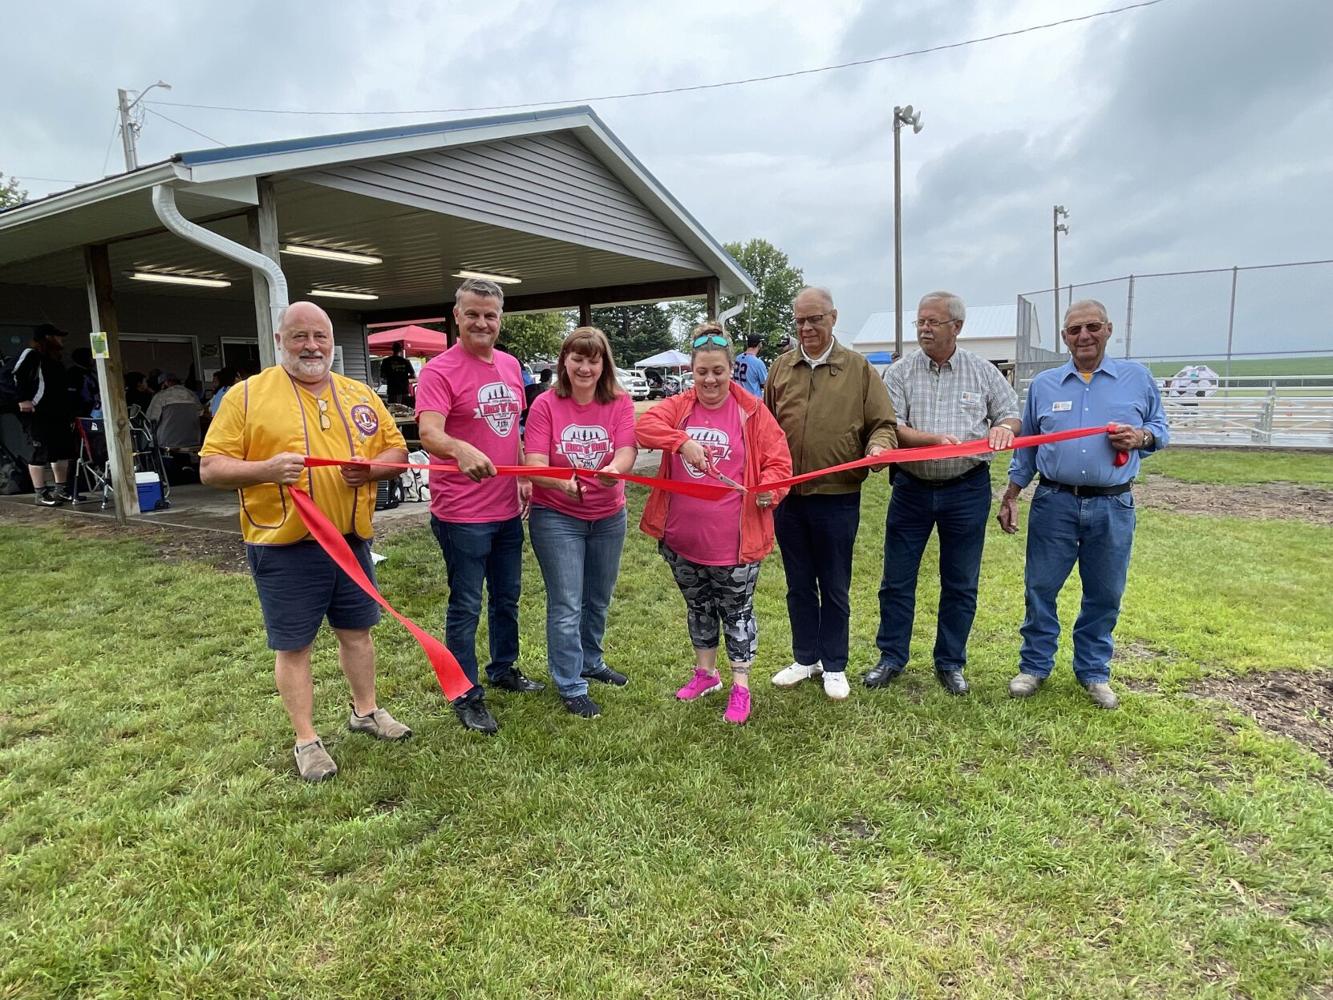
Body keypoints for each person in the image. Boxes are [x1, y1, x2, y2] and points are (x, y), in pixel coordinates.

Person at [199, 301, 412, 782]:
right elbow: (211, 468)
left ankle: (366, 711)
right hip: (284, 544)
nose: (311, 346)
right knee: (294, 645)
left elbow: (396, 449)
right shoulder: (246, 397)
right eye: (299, 336)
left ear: (332, 342)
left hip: (351, 541)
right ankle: (307, 740)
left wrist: (374, 469)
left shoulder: (359, 394)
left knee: (358, 632)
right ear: (279, 341)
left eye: (320, 336)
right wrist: (266, 470)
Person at [998, 299, 1169, 710]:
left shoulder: (1136, 378)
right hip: (1054, 502)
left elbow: (1160, 428)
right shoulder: (1044, 385)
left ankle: (1093, 671)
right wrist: (1011, 494)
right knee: (1040, 587)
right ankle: (1035, 666)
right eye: (1074, 330)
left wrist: (1140, 438)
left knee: (1105, 592)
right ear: (1064, 337)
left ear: (1108, 329)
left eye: (1092, 327)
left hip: (1112, 505)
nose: (1084, 336)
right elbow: (1027, 449)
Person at [637, 323, 793, 725]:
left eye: (717, 371)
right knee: (698, 607)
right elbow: (643, 428)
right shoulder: (680, 406)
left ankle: (741, 687)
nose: (709, 379)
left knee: (737, 612)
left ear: (731, 370)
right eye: (702, 371)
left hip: (735, 542)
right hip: (683, 539)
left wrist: (769, 491)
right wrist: (681, 441)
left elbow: (780, 463)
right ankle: (706, 674)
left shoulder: (753, 411)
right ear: (692, 371)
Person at [868, 292, 1021, 695]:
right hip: (911, 487)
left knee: (960, 581)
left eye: (933, 322)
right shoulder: (900, 372)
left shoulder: (983, 371)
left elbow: (1009, 412)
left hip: (966, 489)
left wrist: (1005, 427)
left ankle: (950, 662)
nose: (924, 329)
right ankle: (891, 657)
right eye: (920, 321)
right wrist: (933, 441)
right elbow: (893, 425)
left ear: (957, 327)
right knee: (897, 579)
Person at [417, 277, 539, 736]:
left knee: (507, 597)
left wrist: (524, 472)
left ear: (500, 318)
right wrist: (459, 450)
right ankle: (464, 692)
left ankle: (503, 667)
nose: (482, 322)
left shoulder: (510, 365)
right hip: (461, 513)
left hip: (506, 508)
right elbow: (428, 433)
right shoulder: (439, 371)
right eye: (472, 314)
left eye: (490, 315)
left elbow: (515, 430)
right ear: (457, 316)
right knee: (466, 603)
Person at [765, 288, 897, 700]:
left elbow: (883, 424)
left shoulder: (857, 368)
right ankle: (806, 658)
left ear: (833, 318)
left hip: (837, 496)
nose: (806, 328)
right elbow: (763, 428)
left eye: (815, 319)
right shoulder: (780, 368)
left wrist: (879, 448)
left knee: (835, 584)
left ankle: (835, 663)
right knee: (798, 582)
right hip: (788, 497)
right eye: (800, 321)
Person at [523, 327, 638, 718]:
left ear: (604, 364)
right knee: (568, 603)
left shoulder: (620, 402)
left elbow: (626, 450)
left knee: (598, 598)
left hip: (609, 515)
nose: (585, 367)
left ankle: (592, 659)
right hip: (557, 516)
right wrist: (561, 483)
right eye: (577, 359)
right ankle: (571, 682)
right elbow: (533, 465)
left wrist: (614, 470)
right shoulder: (545, 405)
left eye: (593, 359)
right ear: (564, 362)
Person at [15, 324, 76, 507]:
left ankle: (61, 489)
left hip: (58, 413)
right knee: (39, 450)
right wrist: (23, 399)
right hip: (38, 412)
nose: (61, 340)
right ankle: (40, 492)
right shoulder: (31, 354)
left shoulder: (55, 359)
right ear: (48, 337)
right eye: (58, 337)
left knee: (62, 451)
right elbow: (16, 376)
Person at [380, 341, 416, 406]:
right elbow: (413, 375)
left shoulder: (386, 361)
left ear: (392, 349)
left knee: (393, 407)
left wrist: (392, 377)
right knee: (405, 407)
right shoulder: (406, 361)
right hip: (404, 388)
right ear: (401, 350)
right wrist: (403, 378)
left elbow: (382, 375)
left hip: (392, 388)